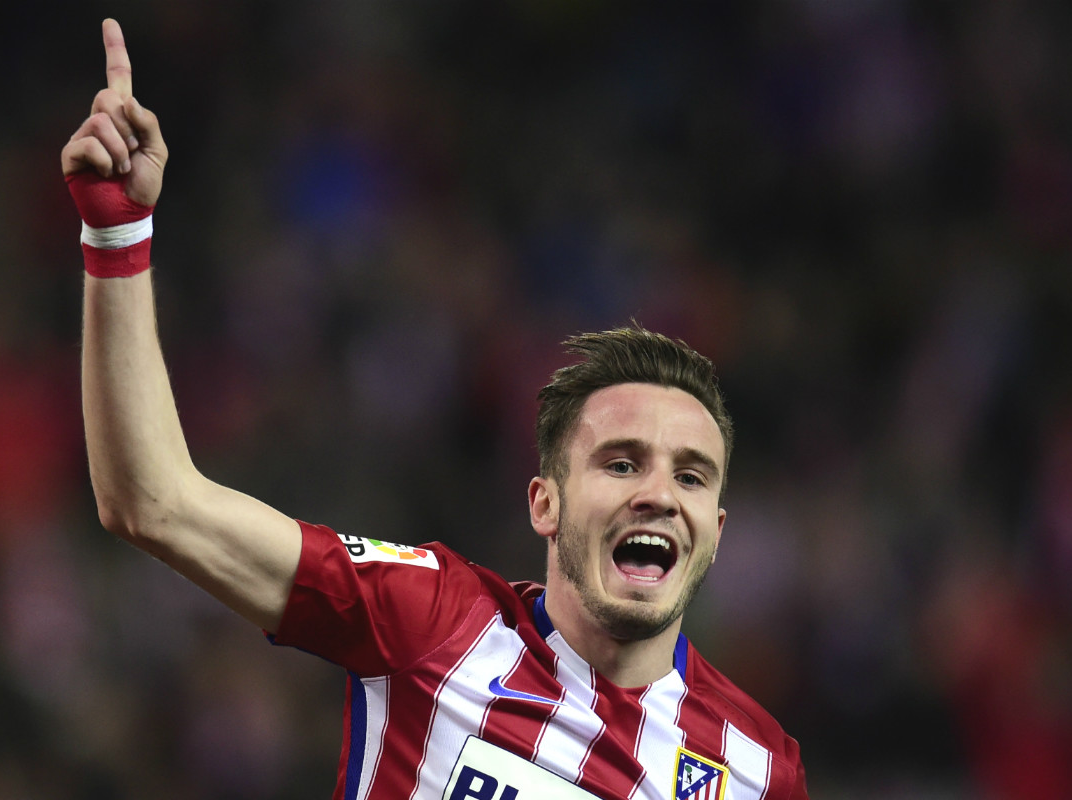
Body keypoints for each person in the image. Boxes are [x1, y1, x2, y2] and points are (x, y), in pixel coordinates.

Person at [63, 19, 809, 800]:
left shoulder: (759, 767)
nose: (657, 492)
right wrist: (118, 232)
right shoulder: (435, 623)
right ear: (545, 503)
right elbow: (152, 502)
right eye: (620, 462)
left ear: (717, 533)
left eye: (692, 477)